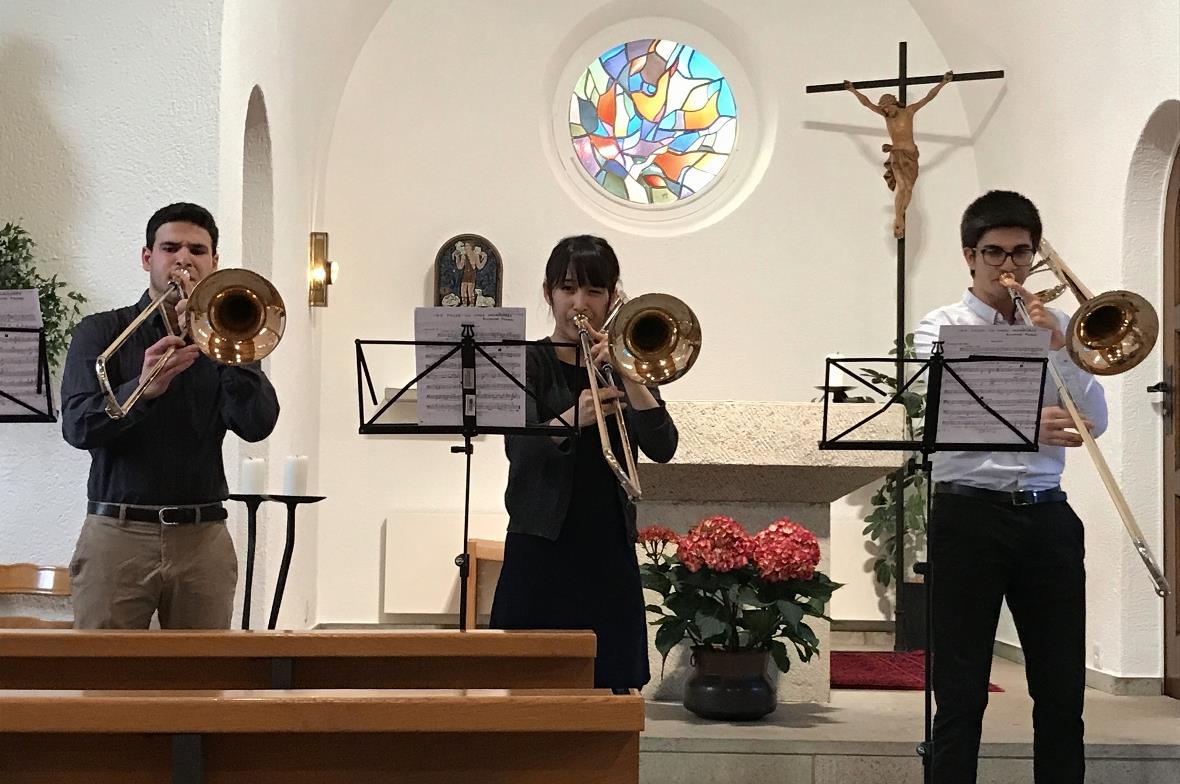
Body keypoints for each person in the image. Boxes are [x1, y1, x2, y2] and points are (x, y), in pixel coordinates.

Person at [914, 190, 1106, 783]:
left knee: (1060, 689)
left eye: (1021, 253)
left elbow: (1093, 420)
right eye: (994, 252)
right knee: (962, 688)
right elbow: (942, 418)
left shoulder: (1062, 327)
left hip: (1047, 515)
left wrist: (1059, 349)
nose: (1008, 266)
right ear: (969, 256)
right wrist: (1027, 423)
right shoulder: (941, 326)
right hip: (968, 516)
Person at [60, 202, 279, 629]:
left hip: (202, 536)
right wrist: (141, 391)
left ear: (214, 262)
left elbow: (257, 424)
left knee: (203, 684)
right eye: (170, 247)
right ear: (148, 258)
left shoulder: (227, 338)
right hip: (116, 532)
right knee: (105, 682)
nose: (183, 259)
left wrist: (228, 351)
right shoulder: (101, 331)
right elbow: (77, 425)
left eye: (197, 250)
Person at [491, 235, 678, 689]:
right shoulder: (524, 359)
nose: (580, 302)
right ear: (548, 293)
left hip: (606, 544)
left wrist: (629, 374)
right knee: (528, 679)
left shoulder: (625, 362)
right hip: (541, 543)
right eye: (568, 288)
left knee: (611, 680)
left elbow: (663, 445)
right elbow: (519, 446)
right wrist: (571, 418)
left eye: (595, 291)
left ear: (613, 297)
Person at [844, 71, 953, 239]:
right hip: (896, 155)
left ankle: (901, 214)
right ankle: (898, 219)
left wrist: (943, 83)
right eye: (884, 109)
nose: (886, 111)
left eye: (888, 107)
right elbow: (867, 104)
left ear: (894, 103)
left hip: (910, 156)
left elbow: (928, 97)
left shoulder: (909, 112)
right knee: (902, 187)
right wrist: (853, 90)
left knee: (908, 189)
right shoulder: (886, 117)